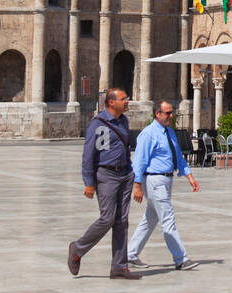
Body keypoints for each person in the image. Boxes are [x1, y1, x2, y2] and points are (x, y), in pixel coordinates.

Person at [68, 88, 141, 279]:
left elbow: (125, 148)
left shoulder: (124, 121)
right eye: (124, 99)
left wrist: (131, 171)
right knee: (107, 218)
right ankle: (77, 249)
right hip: (106, 174)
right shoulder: (98, 123)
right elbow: (88, 154)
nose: (127, 101)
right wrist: (88, 182)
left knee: (122, 221)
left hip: (124, 174)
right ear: (111, 102)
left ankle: (119, 266)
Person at [128, 100, 200, 271]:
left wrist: (189, 176)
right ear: (157, 114)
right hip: (154, 180)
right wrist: (137, 185)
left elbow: (178, 156)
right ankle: (180, 258)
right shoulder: (148, 134)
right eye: (167, 113)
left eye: (171, 112)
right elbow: (139, 161)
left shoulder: (169, 132)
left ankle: (130, 254)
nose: (171, 116)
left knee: (150, 219)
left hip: (167, 179)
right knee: (167, 218)